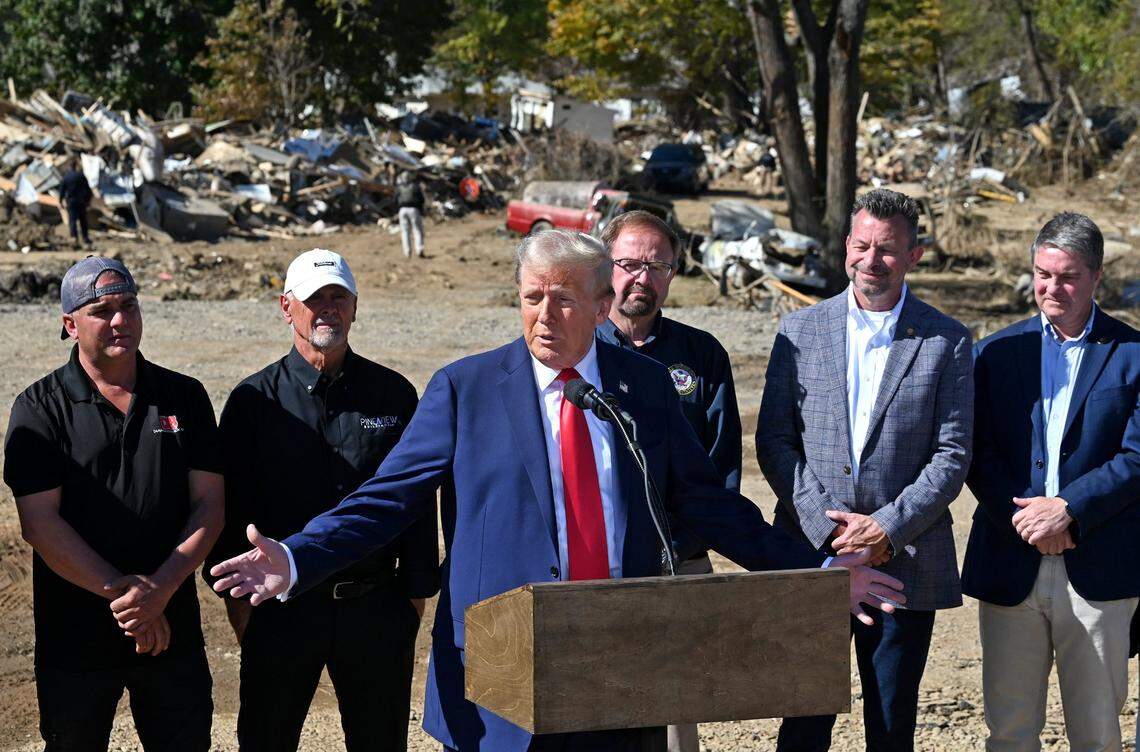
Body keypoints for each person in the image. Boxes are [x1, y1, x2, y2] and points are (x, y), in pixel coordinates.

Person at [211, 229, 906, 752]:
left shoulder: (643, 392)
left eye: (564, 299)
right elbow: (387, 499)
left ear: (603, 306)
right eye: (531, 297)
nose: (544, 315)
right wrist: (297, 557)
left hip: (618, 659)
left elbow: (710, 505)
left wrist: (814, 573)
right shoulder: (467, 388)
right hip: (500, 666)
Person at [756, 188, 973, 752]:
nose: (871, 260)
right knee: (802, 724)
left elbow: (951, 454)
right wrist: (828, 530)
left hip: (904, 559)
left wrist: (885, 529)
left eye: (887, 249)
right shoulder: (798, 331)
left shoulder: (947, 340)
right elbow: (776, 441)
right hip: (814, 554)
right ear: (846, 245)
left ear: (915, 255)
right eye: (861, 245)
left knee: (891, 723)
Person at [204, 249, 440, 751]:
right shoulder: (254, 401)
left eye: (339, 297)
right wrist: (240, 607)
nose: (327, 309)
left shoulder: (393, 395)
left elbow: (415, 498)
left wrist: (413, 599)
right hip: (282, 609)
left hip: (374, 607)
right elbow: (232, 507)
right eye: (314, 299)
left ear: (356, 307)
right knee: (267, 739)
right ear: (287, 307)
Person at [2, 256, 223, 751]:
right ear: (69, 324)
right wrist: (130, 600)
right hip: (75, 635)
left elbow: (210, 505)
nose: (120, 320)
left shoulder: (183, 396)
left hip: (172, 627)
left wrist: (161, 589)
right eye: (101, 310)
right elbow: (39, 525)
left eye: (128, 305)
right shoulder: (38, 409)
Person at [962, 212, 1140, 752]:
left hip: (1100, 566)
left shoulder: (1134, 355)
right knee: (1010, 732)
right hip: (1011, 560)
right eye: (1042, 274)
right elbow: (975, 450)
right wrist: (1028, 520)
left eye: (1067, 276)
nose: (1051, 288)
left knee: (1099, 734)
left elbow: (1137, 455)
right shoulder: (994, 353)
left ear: (1096, 277)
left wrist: (1071, 510)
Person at [595, 210, 740, 752]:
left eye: (658, 266)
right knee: (594, 698)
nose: (643, 278)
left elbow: (722, 466)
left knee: (677, 707)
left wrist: (690, 545)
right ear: (605, 267)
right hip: (595, 565)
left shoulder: (700, 355)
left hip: (679, 560)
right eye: (630, 264)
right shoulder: (580, 351)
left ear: (674, 273)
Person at [58, 158, 94, 247]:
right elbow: (88, 190)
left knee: (72, 220)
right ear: (75, 166)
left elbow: (61, 191)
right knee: (83, 221)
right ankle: (85, 238)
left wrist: (60, 201)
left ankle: (74, 238)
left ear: (69, 166)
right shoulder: (81, 175)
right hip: (81, 201)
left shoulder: (66, 177)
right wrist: (88, 201)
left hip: (71, 202)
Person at [396, 172, 426, 258]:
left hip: (402, 210)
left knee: (405, 232)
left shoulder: (399, 188)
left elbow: (395, 200)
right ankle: (419, 249)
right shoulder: (415, 187)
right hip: (414, 210)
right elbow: (421, 199)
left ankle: (407, 252)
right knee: (417, 230)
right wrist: (421, 210)